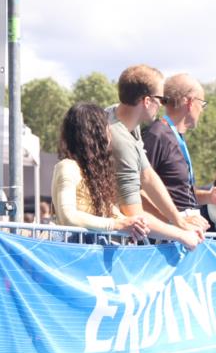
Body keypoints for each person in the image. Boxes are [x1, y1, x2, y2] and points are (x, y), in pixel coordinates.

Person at [52, 103, 197, 247]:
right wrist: (117, 225)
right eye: (107, 127)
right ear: (96, 134)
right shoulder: (68, 167)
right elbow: (68, 216)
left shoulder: (94, 175)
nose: (111, 133)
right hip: (72, 254)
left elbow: (120, 217)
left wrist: (136, 225)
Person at [106, 65, 202, 248]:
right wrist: (182, 234)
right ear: (147, 101)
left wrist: (179, 221)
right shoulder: (120, 141)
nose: (163, 105)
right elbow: (134, 214)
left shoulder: (123, 118)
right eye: (161, 99)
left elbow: (148, 175)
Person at [143, 73, 216, 226]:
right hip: (165, 235)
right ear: (190, 102)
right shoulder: (157, 134)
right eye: (202, 103)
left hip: (182, 230)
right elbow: (138, 192)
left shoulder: (175, 136)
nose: (202, 110)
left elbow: (178, 193)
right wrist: (175, 221)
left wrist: (208, 197)